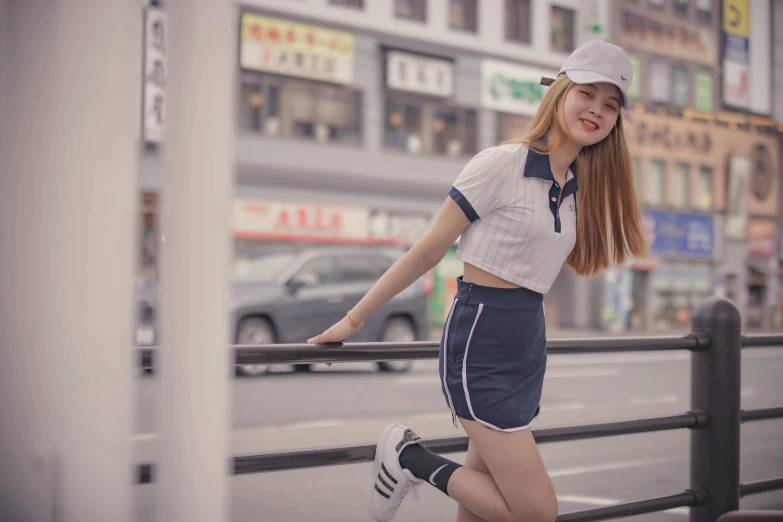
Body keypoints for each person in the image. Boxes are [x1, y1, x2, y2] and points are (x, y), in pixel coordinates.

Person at [307, 39, 648, 522]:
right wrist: (353, 319)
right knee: (536, 513)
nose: (597, 110)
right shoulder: (502, 164)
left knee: (483, 511)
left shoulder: (573, 186)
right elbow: (428, 250)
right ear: (560, 92)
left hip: (527, 346)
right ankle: (407, 458)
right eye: (587, 94)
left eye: (610, 105)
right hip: (481, 344)